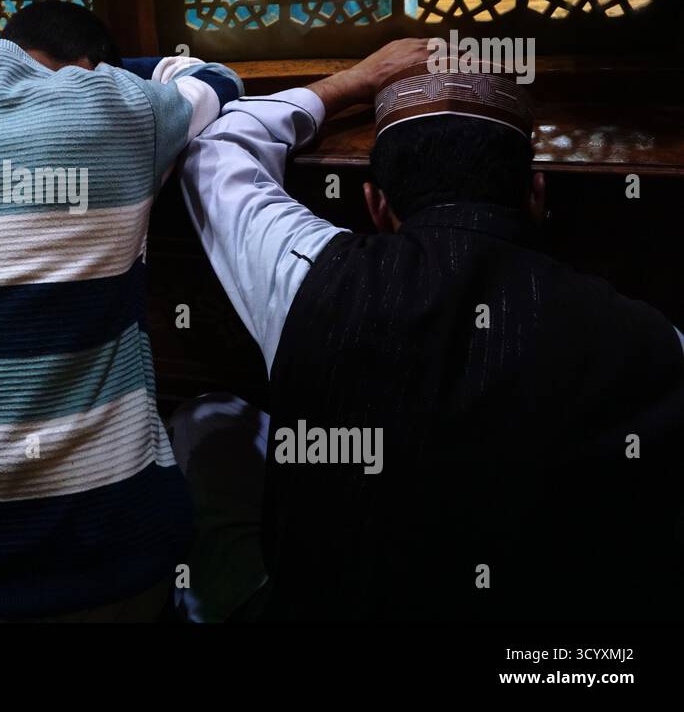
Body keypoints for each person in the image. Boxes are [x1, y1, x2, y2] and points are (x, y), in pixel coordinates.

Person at [180, 41, 684, 621]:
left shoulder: (308, 274)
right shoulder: (652, 340)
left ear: (374, 203)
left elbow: (218, 151)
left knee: (203, 420)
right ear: (537, 195)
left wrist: (354, 80)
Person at [0, 1, 242, 620]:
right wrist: (100, 74)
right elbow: (216, 79)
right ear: (88, 68)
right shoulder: (117, 108)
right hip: (113, 560)